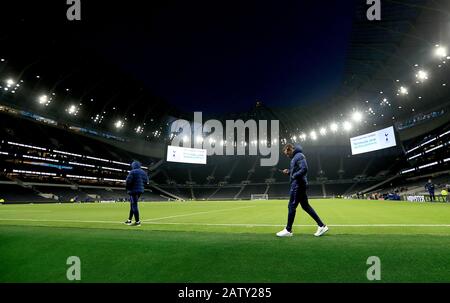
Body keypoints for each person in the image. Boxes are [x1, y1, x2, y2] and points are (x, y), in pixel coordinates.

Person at [277, 144, 328, 237]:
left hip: (298, 185)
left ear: (290, 149)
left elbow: (304, 169)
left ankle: (288, 230)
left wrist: (293, 176)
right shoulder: (296, 157)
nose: (287, 156)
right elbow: (298, 170)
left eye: (287, 153)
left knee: (291, 206)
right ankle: (321, 226)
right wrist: (289, 172)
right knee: (305, 206)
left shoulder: (299, 156)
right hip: (299, 184)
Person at [125, 161, 149, 226]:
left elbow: (128, 181)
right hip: (140, 190)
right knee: (132, 205)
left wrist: (127, 188)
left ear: (133, 166)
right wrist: (141, 187)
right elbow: (147, 182)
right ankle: (129, 220)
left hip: (133, 190)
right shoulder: (143, 172)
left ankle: (137, 222)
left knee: (134, 205)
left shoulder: (132, 172)